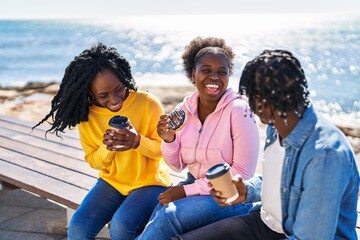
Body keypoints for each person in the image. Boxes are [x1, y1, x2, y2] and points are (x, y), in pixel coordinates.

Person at [175, 49, 360, 240]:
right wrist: (246, 190)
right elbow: (281, 180)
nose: (250, 105)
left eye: (253, 96)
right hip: (266, 224)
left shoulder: (325, 155)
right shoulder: (277, 126)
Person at [32, 42, 172, 240]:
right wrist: (108, 148)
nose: (115, 99)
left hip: (151, 182)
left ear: (124, 79)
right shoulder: (85, 116)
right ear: (90, 93)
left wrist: (137, 141)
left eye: (119, 89)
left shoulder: (147, 103)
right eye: (103, 95)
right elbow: (93, 161)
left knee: (121, 226)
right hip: (112, 182)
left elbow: (164, 151)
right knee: (78, 229)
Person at [136, 37, 260, 240]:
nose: (214, 77)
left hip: (229, 196)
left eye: (222, 72)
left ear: (229, 76)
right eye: (206, 70)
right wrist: (169, 140)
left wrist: (186, 191)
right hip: (195, 183)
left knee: (168, 217)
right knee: (159, 209)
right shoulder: (183, 111)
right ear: (193, 74)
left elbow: (243, 174)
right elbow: (176, 165)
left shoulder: (239, 110)